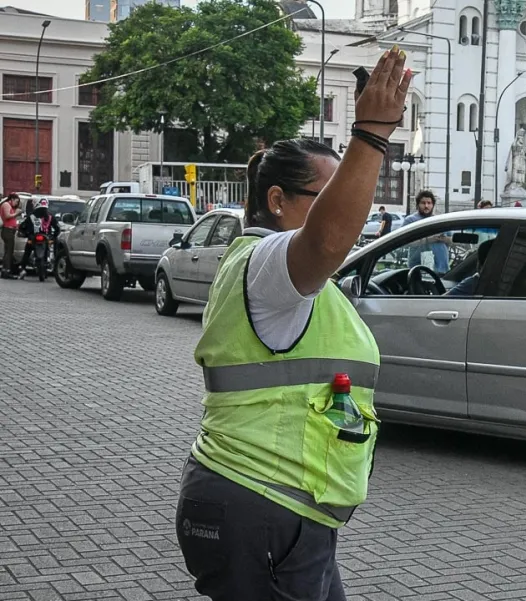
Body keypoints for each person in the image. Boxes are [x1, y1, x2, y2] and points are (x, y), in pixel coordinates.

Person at [173, 47, 412, 600]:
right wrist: (372, 132)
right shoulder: (269, 266)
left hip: (282, 515)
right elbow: (328, 237)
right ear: (276, 200)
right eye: (327, 196)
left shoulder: (280, 273)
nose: (348, 209)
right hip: (261, 507)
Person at [403, 190, 449, 272]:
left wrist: (443, 239)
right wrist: (429, 239)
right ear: (418, 205)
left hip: (441, 268)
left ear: (433, 205)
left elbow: (453, 239)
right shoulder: (410, 220)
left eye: (429, 203)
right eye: (423, 203)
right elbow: (404, 242)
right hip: (419, 267)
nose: (426, 206)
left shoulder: (439, 220)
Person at [17, 199, 60, 278]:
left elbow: (22, 227)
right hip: (46, 238)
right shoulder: (50, 217)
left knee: (27, 252)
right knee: (55, 249)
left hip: (33, 237)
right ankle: (55, 266)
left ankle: (22, 268)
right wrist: (53, 236)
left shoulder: (31, 216)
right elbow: (57, 229)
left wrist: (26, 234)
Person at [1, 193, 21, 279]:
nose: (16, 204)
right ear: (12, 199)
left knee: (9, 251)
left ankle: (6, 269)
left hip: (10, 230)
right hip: (7, 230)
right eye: (16, 201)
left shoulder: (10, 206)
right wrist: (16, 213)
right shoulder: (6, 205)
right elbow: (7, 216)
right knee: (8, 252)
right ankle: (6, 270)